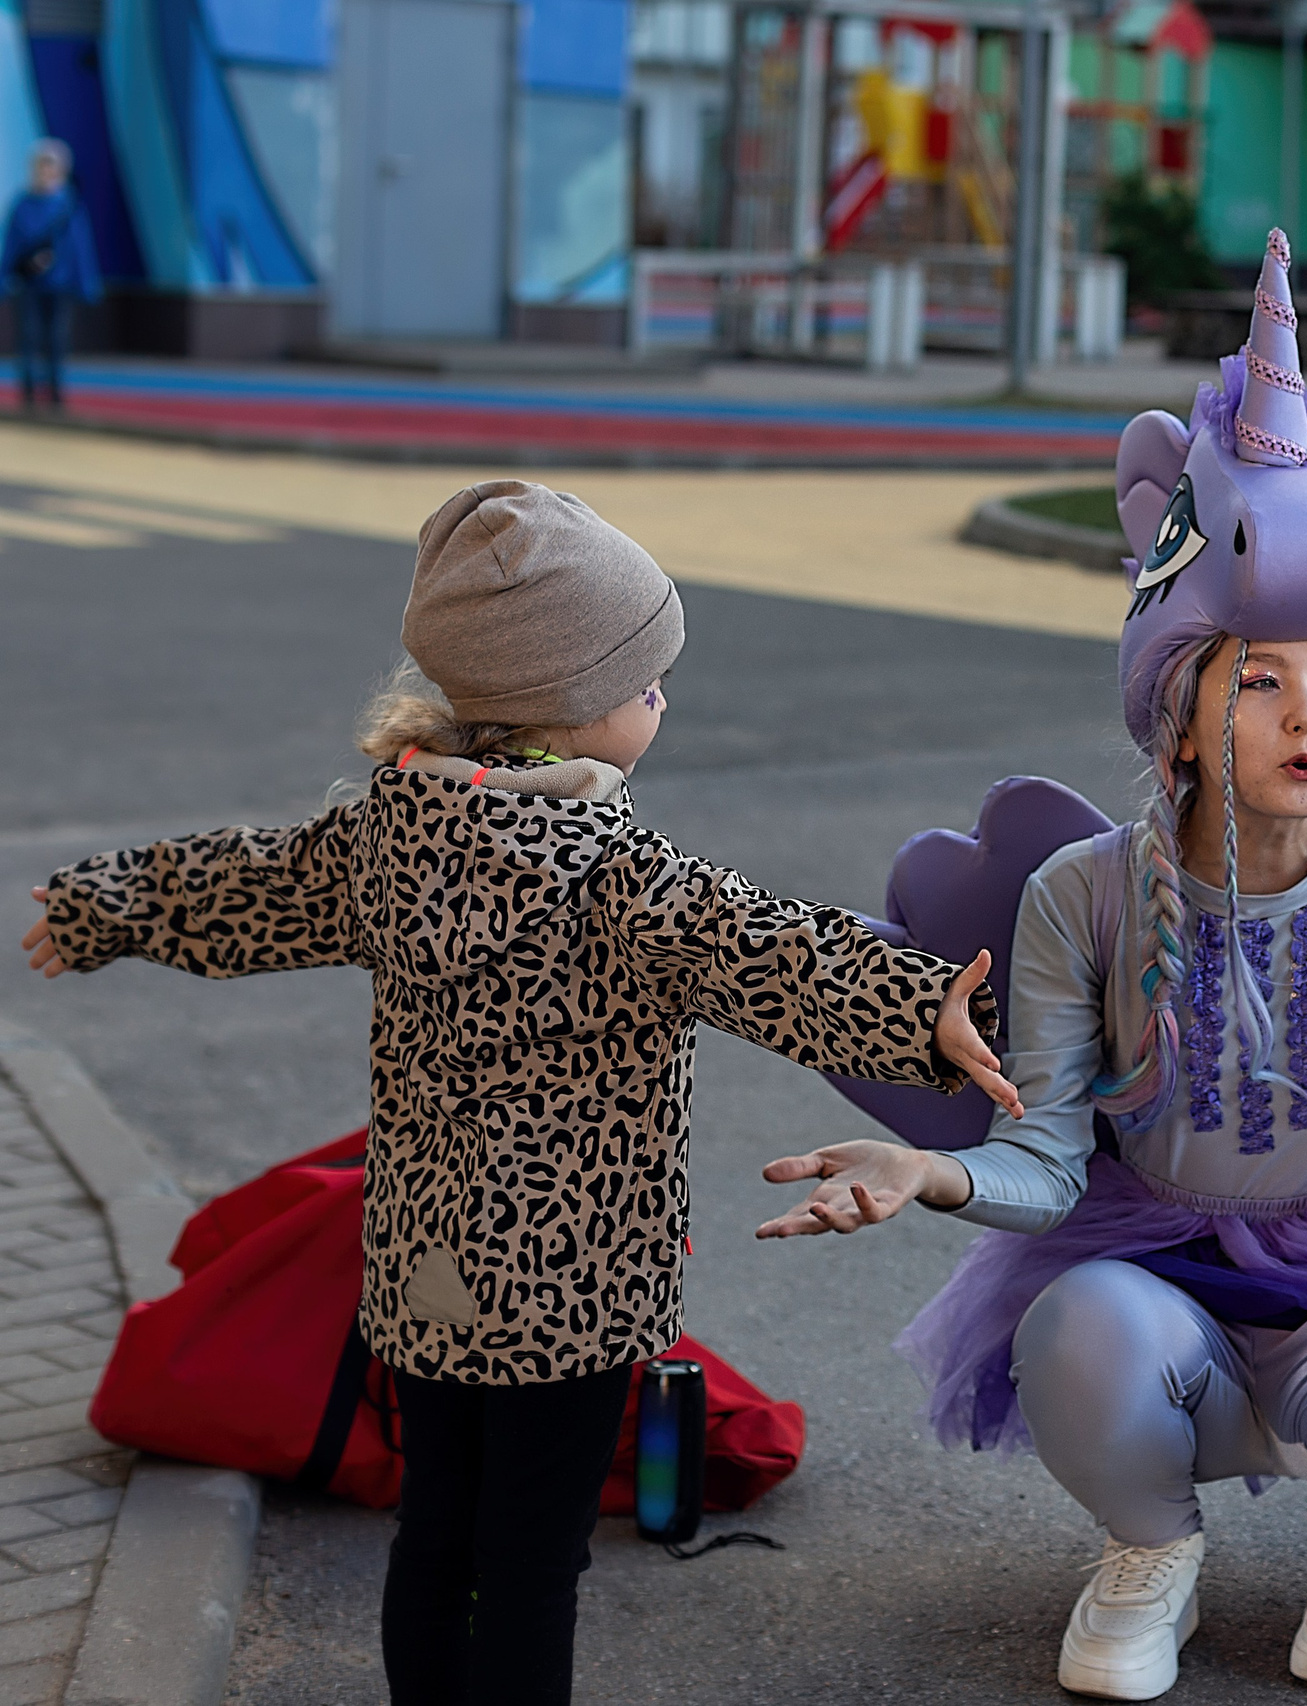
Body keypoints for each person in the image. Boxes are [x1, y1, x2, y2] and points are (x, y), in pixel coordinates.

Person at [19, 480, 1019, 1706]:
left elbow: (246, 883)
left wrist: (103, 904)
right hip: (574, 1290)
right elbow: (780, 953)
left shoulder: (383, 835)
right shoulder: (623, 872)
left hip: (425, 1272)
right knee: (534, 1566)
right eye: (646, 678)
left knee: (436, 1539)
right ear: (567, 703)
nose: (662, 696)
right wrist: (931, 1011)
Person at [754, 230, 1307, 1702]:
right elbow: (1043, 1152)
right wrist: (934, 1177)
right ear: (1177, 710)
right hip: (1159, 1294)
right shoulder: (1082, 898)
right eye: (1264, 677)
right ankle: (1150, 1550)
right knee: (1072, 1324)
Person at [0, 139, 100, 412]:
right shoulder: (22, 205)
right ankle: (29, 393)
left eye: (52, 167)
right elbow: (11, 245)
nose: (46, 172)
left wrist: (86, 283)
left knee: (56, 337)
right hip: (28, 285)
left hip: (60, 285)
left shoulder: (68, 207)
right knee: (29, 336)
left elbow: (80, 248)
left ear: (61, 171)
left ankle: (55, 393)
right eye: (41, 166)